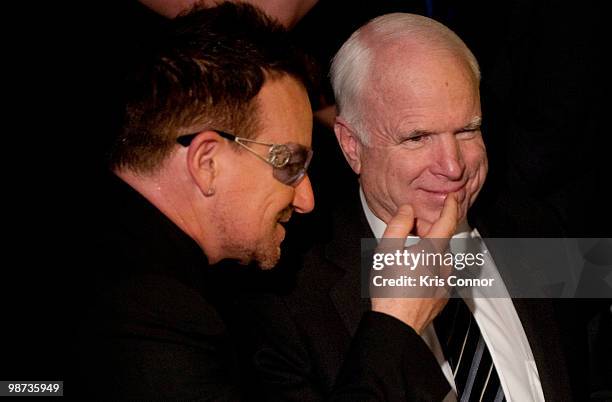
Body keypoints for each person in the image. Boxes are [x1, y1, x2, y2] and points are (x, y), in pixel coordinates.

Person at [238, 13, 577, 401]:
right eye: (417, 137)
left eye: (467, 130)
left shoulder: (534, 227)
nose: (453, 166)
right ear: (352, 146)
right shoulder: (288, 304)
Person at [70, 3, 316, 398]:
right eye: (290, 163)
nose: (306, 199)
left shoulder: (127, 256)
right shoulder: (150, 307)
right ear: (207, 162)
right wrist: (396, 323)